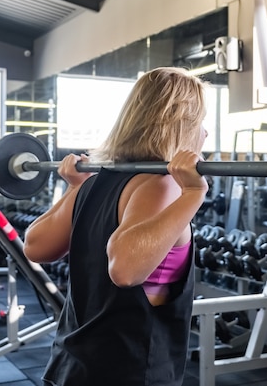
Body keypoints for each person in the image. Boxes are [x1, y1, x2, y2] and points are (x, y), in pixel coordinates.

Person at [23, 66, 209, 386]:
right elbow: (125, 270)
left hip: (72, 365)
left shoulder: (94, 183)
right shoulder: (160, 186)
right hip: (126, 371)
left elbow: (35, 246)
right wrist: (193, 193)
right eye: (201, 122)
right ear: (182, 125)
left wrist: (74, 188)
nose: (204, 132)